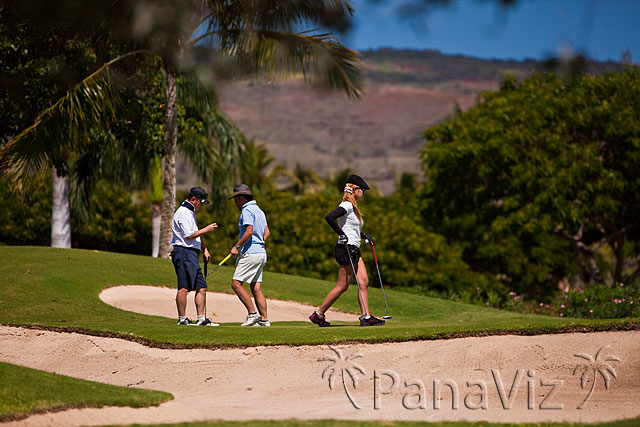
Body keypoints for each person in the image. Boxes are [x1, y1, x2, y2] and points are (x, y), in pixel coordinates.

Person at [309, 175, 385, 327]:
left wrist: (364, 236)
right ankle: (318, 314)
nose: (364, 193)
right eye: (363, 190)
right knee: (342, 286)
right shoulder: (347, 205)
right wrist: (341, 235)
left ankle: (366, 316)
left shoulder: (353, 207)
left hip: (354, 248)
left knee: (364, 282)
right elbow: (329, 217)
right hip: (346, 249)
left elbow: (350, 229)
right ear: (356, 190)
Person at [170, 186, 219, 326]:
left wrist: (205, 249)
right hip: (183, 252)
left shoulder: (190, 212)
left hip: (192, 253)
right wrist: (207, 229)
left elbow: (196, 233)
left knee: (201, 286)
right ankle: (182, 319)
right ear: (193, 199)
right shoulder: (183, 213)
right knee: (184, 287)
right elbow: (189, 235)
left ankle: (201, 318)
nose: (202, 205)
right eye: (201, 202)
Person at [229, 184, 271, 327]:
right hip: (261, 252)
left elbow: (249, 231)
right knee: (256, 287)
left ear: (242, 198)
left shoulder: (246, 210)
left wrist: (237, 246)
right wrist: (259, 243)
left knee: (236, 284)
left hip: (251, 253)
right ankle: (264, 320)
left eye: (236, 199)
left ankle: (252, 314)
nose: (235, 202)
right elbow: (267, 233)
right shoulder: (259, 211)